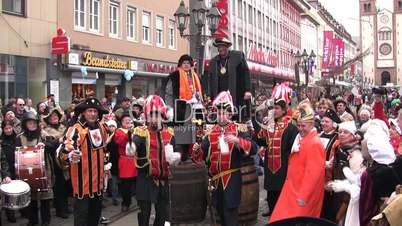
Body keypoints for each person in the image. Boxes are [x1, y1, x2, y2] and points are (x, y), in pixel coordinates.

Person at [193, 91, 257, 226]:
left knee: (230, 214)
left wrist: (237, 141)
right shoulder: (210, 132)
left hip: (232, 179)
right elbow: (201, 156)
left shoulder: (239, 129)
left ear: (229, 114)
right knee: (220, 213)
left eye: (224, 113)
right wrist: (196, 149)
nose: (221, 116)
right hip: (215, 181)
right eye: (219, 113)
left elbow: (254, 149)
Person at [269, 101, 325, 223]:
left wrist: (303, 195)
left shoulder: (314, 143)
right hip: (291, 189)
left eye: (303, 126)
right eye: (298, 125)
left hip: (302, 194)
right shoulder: (302, 138)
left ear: (312, 124)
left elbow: (313, 174)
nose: (300, 129)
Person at [129, 95, 181, 226]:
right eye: (151, 115)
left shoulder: (170, 133)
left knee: (162, 214)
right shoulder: (140, 131)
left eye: (157, 114)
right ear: (147, 116)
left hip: (164, 180)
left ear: (163, 115)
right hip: (145, 179)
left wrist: (177, 156)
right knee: (144, 214)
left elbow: (179, 150)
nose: (154, 118)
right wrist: (132, 147)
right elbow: (135, 142)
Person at [58, 97, 109, 226]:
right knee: (81, 220)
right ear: (83, 112)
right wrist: (69, 155)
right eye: (90, 111)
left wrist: (105, 161)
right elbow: (63, 153)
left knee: (95, 218)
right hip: (82, 186)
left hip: (98, 184)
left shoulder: (102, 128)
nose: (92, 114)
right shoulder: (75, 129)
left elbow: (103, 148)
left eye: (95, 111)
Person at [256, 92, 298, 216]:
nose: (274, 110)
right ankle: (271, 209)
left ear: (284, 110)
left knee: (281, 189)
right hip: (270, 164)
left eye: (277, 108)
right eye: (273, 108)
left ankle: (282, 212)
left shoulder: (291, 127)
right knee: (270, 189)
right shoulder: (269, 124)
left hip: (283, 164)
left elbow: (292, 148)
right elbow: (260, 140)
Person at [16, 112, 58, 226]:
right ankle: (33, 220)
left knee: (45, 197)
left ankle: (46, 220)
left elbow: (55, 145)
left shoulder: (43, 134)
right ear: (25, 124)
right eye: (30, 123)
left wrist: (45, 145)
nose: (32, 125)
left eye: (34, 123)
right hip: (26, 173)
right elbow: (16, 154)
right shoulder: (20, 138)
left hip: (44, 170)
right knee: (32, 198)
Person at [208, 38, 252, 121]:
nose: (221, 49)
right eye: (219, 47)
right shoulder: (214, 61)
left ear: (227, 47)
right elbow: (210, 80)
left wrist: (248, 90)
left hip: (236, 94)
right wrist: (210, 96)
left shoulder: (238, 56)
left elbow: (246, 73)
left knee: (237, 116)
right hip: (220, 96)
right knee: (221, 118)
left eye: (223, 46)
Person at [42, 107, 70, 219]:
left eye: (56, 116)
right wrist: (59, 141)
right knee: (58, 186)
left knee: (66, 184)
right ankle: (60, 209)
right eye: (52, 116)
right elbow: (49, 146)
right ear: (48, 119)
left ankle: (65, 205)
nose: (54, 118)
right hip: (53, 161)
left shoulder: (64, 128)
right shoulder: (45, 131)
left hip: (65, 159)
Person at [319, 108, 342, 222]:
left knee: (328, 209)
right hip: (317, 177)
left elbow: (334, 162)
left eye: (326, 121)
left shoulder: (338, 139)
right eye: (322, 121)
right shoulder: (319, 135)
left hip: (329, 179)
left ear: (334, 124)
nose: (323, 124)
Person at [113, 111, 137, 212]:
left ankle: (138, 201)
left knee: (136, 184)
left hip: (135, 159)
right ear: (121, 122)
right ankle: (125, 203)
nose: (128, 122)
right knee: (126, 185)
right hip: (125, 160)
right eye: (126, 121)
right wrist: (130, 133)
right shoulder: (119, 131)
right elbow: (121, 141)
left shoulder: (136, 130)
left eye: (129, 121)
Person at [0, 120, 17, 223]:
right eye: (6, 128)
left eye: (10, 128)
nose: (8, 130)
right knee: (7, 193)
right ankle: (9, 213)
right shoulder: (1, 141)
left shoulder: (17, 138)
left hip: (15, 167)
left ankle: (15, 212)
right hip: (6, 169)